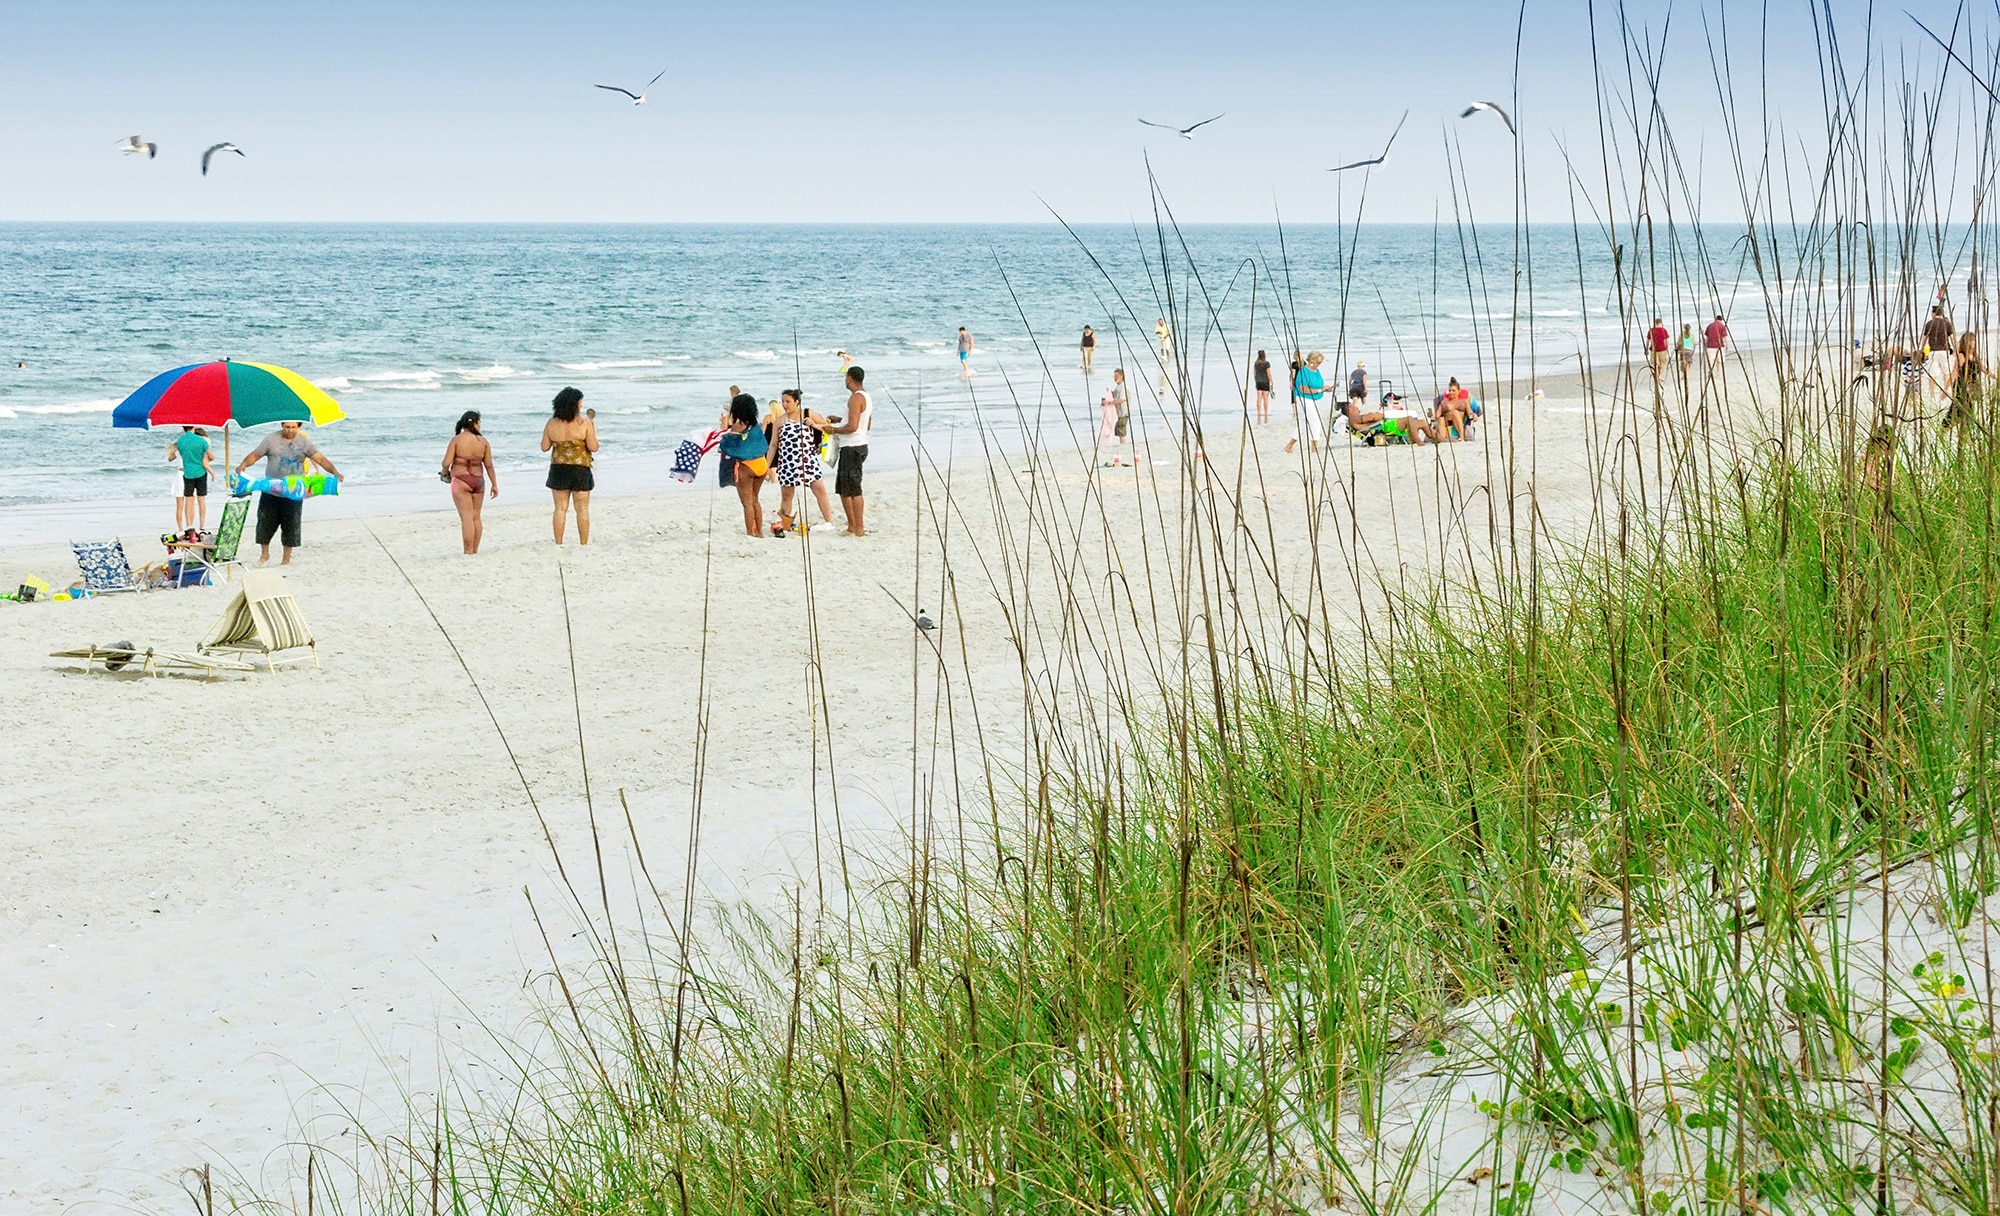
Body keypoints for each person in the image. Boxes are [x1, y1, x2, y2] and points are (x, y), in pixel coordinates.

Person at [235, 419, 341, 565]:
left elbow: (321, 459)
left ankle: (286, 560)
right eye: (287, 427)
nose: (290, 430)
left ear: (299, 426)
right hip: (272, 490)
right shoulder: (271, 439)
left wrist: (335, 473)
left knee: (291, 524)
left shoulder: (304, 442)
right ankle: (264, 555)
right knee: (264, 522)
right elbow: (255, 455)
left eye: (293, 427)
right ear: (282, 426)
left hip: (294, 491)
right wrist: (243, 465)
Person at [811, 365, 871, 535]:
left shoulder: (855, 398)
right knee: (847, 488)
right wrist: (839, 420)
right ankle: (853, 526)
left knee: (851, 489)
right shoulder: (866, 397)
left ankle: (857, 528)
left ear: (850, 378)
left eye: (846, 377)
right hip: (859, 444)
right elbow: (865, 424)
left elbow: (852, 426)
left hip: (852, 446)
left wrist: (833, 429)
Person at [542, 386, 598, 545]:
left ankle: (559, 543)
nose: (581, 405)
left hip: (559, 469)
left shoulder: (551, 423)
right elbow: (593, 447)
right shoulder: (584, 423)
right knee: (582, 508)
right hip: (580, 468)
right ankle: (583, 543)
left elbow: (544, 447)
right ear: (575, 404)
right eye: (580, 402)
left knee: (560, 508)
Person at [773, 388, 835, 533]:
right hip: (787, 462)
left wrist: (813, 424)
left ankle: (829, 521)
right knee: (787, 495)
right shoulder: (780, 420)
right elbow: (774, 445)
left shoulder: (808, 413)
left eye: (788, 401)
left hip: (808, 459)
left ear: (797, 402)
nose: (785, 404)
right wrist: (767, 465)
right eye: (783, 401)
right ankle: (785, 523)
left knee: (819, 489)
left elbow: (828, 427)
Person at [440, 410, 497, 555]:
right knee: (476, 517)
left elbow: (446, 462)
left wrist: (444, 472)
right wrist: (494, 484)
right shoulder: (483, 442)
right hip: (479, 481)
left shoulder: (457, 440)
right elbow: (489, 465)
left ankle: (468, 551)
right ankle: (475, 551)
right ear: (476, 423)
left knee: (466, 519)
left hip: (460, 480)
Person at [719, 393, 770, 537]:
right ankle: (759, 532)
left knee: (747, 503)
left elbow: (726, 446)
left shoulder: (738, 426)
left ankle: (750, 533)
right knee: (755, 500)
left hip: (746, 466)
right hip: (761, 463)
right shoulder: (756, 426)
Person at [168, 425, 213, 532]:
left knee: (180, 506)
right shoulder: (198, 444)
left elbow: (170, 458)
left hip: (180, 475)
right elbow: (208, 456)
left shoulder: (180, 445)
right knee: (193, 502)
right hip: (192, 474)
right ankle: (194, 526)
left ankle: (181, 529)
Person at [1287, 352, 1330, 455]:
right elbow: (1303, 389)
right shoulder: (1304, 372)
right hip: (1304, 399)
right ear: (1312, 361)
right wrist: (1319, 390)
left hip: (1312, 399)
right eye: (1318, 362)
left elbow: (1318, 385)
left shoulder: (1316, 371)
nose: (1319, 364)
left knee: (1302, 424)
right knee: (1315, 422)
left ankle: (1289, 446)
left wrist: (1324, 389)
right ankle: (1314, 447)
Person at [1948, 331, 1984, 428]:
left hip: (1971, 387)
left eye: (1973, 340)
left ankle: (1960, 431)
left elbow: (1983, 368)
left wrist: (1995, 376)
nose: (1973, 342)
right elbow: (1954, 372)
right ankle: (1946, 428)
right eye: (1971, 340)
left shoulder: (1975, 356)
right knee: (1959, 409)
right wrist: (1946, 387)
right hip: (1961, 386)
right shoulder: (1962, 356)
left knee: (1964, 411)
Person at [1924, 304, 1956, 404]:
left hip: (1933, 351)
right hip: (1944, 350)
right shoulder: (1947, 323)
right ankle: (1947, 391)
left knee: (1932, 374)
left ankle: (1933, 396)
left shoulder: (1929, 324)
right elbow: (1952, 338)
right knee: (1946, 372)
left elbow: (1924, 339)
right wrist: (1955, 350)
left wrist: (1923, 351)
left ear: (1933, 313)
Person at [718, 384, 742, 488]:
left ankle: (726, 481)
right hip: (738, 441)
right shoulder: (741, 419)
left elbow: (723, 430)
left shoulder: (728, 417)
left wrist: (723, 420)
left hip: (729, 441)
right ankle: (736, 479)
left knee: (726, 462)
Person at [1703, 313, 1730, 380]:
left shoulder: (1710, 325)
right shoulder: (1722, 326)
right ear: (1721, 320)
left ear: (1715, 319)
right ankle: (1718, 373)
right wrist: (1727, 345)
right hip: (1720, 346)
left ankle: (1711, 370)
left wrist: (1705, 344)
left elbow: (1707, 337)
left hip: (1710, 345)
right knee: (1719, 361)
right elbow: (1725, 337)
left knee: (1711, 360)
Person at [1646, 317, 1670, 386]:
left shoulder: (1651, 330)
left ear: (1655, 323)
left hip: (1653, 349)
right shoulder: (1664, 330)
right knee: (1662, 363)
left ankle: (1657, 375)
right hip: (1662, 349)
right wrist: (1666, 347)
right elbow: (1667, 340)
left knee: (1655, 363)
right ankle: (1660, 375)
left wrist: (1646, 348)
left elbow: (1648, 340)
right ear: (1660, 323)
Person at [1253, 350, 1273, 423]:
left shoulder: (1256, 363)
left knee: (1259, 397)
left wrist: (1256, 380)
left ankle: (1258, 413)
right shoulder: (1266, 363)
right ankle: (1266, 413)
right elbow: (1269, 374)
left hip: (1258, 381)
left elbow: (1254, 373)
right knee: (1265, 398)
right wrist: (1272, 381)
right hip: (1265, 381)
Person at [1677, 322, 1696, 396]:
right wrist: (1693, 350)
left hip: (1683, 350)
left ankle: (1684, 374)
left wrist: (1678, 349)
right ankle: (1686, 375)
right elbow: (1694, 344)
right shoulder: (1692, 336)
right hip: (1689, 350)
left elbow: (1679, 343)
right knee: (1688, 363)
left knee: (1683, 362)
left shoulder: (1681, 335)